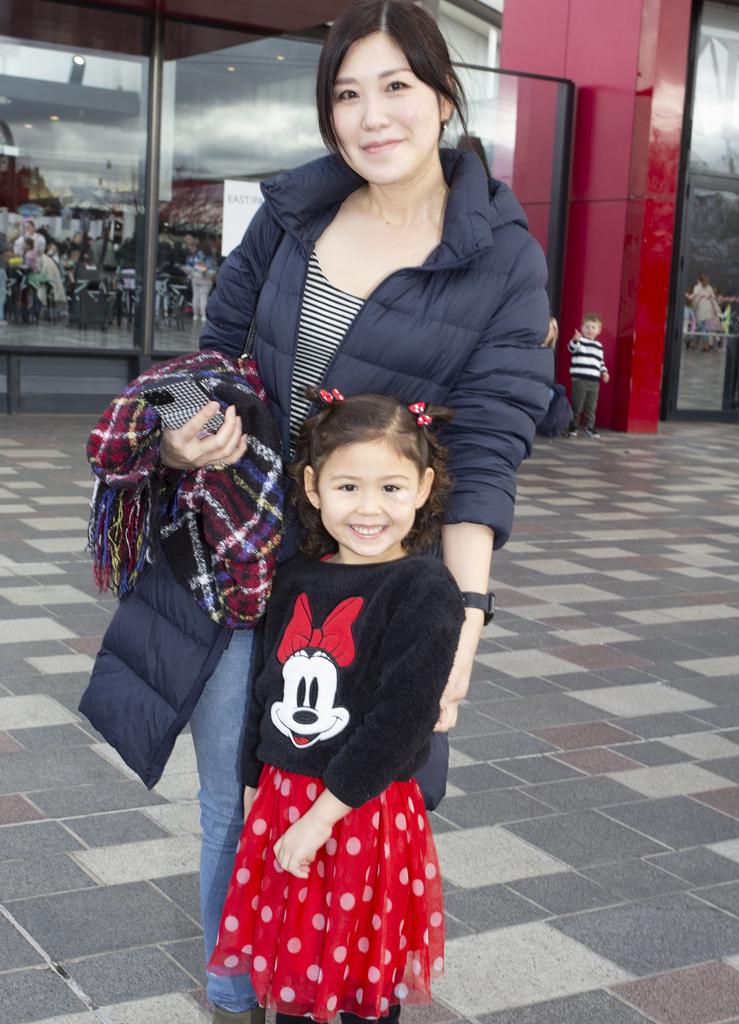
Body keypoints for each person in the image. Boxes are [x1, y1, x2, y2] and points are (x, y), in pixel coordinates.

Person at [84, 2, 552, 1020]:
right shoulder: (291, 214)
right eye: (346, 93)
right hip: (243, 548)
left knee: (354, 790)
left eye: (395, 88)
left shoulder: (501, 258)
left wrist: (466, 614)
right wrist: (179, 439)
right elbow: (214, 362)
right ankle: (232, 979)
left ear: (443, 94)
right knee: (227, 794)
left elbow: (487, 446)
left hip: (371, 581)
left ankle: (337, 984)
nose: (371, 116)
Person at [208, 390, 464, 1021]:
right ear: (313, 488)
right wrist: (250, 782)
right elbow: (264, 694)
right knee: (292, 976)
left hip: (362, 816)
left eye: (391, 488)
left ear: (424, 487)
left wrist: (322, 817)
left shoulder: (424, 588)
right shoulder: (295, 576)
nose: (369, 509)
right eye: (348, 487)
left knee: (359, 987)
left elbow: (400, 725)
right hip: (282, 800)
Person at [566, 312, 609, 438]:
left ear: (598, 331)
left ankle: (589, 427)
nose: (590, 330)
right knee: (577, 404)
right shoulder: (580, 342)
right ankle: (573, 426)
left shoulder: (599, 346)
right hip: (579, 379)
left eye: (593, 327)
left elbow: (600, 362)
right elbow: (571, 348)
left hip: (594, 381)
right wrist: (575, 339)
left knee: (591, 406)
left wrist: (604, 372)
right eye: (587, 327)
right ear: (582, 328)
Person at [686, 274, 721, 351]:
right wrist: (717, 309)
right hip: (708, 311)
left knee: (702, 328)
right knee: (702, 328)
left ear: (699, 280)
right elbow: (713, 300)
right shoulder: (709, 288)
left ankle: (704, 345)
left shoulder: (697, 288)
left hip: (700, 311)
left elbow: (695, 300)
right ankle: (694, 342)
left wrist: (694, 309)